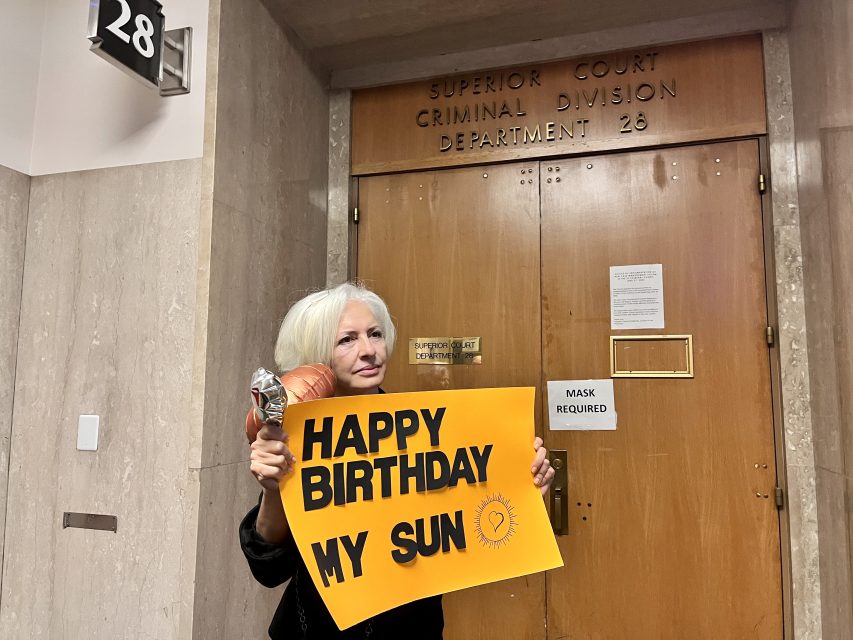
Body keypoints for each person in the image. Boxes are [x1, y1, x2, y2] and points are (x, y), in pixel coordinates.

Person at [240, 283, 555, 639]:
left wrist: (524, 490)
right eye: (347, 340)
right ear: (317, 354)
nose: (369, 351)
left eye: (375, 334)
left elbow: (478, 528)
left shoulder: (429, 431)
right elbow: (268, 569)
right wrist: (273, 489)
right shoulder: (297, 435)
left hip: (410, 629)